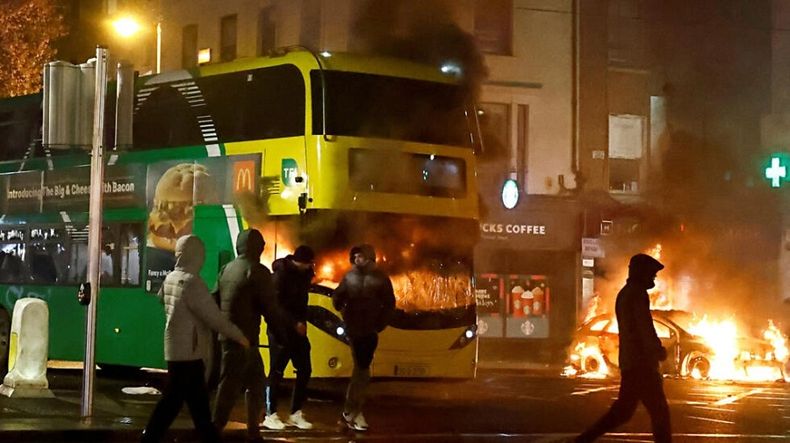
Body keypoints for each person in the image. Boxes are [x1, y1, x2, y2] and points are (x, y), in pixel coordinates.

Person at [141, 235, 250, 443]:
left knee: (191, 403)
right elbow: (215, 318)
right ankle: (150, 437)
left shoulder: (172, 277)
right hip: (190, 353)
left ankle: (159, 436)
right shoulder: (192, 282)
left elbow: (161, 298)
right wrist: (240, 336)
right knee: (177, 402)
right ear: (195, 255)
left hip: (175, 348)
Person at [212, 229, 304, 442]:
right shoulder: (257, 271)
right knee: (233, 386)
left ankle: (252, 430)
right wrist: (282, 336)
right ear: (256, 247)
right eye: (261, 246)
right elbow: (270, 308)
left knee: (252, 383)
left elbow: (214, 298)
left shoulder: (227, 269)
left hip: (230, 336)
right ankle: (217, 429)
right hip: (245, 339)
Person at [575, 253, 671, 443]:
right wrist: (656, 349)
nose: (654, 277)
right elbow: (644, 327)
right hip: (642, 364)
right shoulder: (637, 294)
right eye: (651, 273)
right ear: (641, 272)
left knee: (623, 411)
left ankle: (583, 439)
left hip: (631, 362)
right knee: (659, 411)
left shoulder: (626, 293)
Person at [332, 244, 396, 432]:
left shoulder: (380, 279)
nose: (358, 260)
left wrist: (379, 324)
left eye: (361, 257)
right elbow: (337, 298)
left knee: (361, 371)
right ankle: (352, 412)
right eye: (356, 257)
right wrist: (345, 313)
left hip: (369, 330)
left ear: (370, 258)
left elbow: (390, 304)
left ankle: (350, 412)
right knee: (362, 371)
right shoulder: (350, 277)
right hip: (355, 330)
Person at [262, 245, 316, 430]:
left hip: (297, 330)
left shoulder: (304, 275)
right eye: (308, 263)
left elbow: (301, 303)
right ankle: (270, 414)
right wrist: (295, 323)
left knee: (305, 369)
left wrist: (302, 321)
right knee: (276, 371)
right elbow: (276, 306)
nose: (310, 267)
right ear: (299, 261)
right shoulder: (281, 275)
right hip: (280, 330)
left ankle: (296, 413)